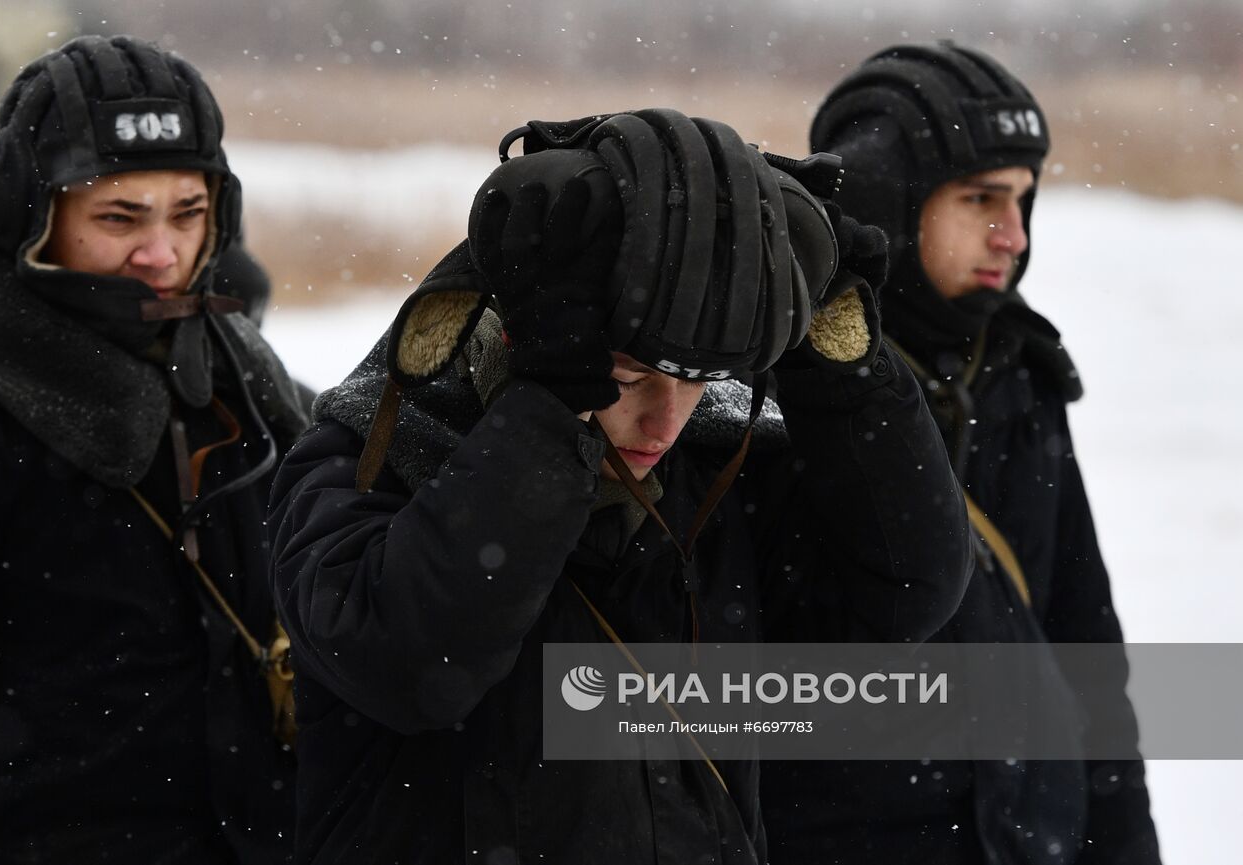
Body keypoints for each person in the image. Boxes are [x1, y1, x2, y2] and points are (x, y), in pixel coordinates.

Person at [268, 109, 972, 863]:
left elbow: (905, 592)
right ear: (519, 335)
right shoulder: (361, 460)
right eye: (629, 377)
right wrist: (546, 414)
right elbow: (413, 666)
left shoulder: (713, 474)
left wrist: (842, 363)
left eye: (697, 379)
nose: (663, 419)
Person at [0, 36, 306, 863]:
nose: (161, 254)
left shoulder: (244, 389)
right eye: (119, 216)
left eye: (188, 214)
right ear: (32, 218)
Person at [761, 41, 1162, 865]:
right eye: (982, 198)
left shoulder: (1020, 373)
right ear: (889, 199)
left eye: (1023, 199)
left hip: (1027, 838)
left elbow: (1087, 655)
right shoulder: (779, 390)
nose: (1012, 233)